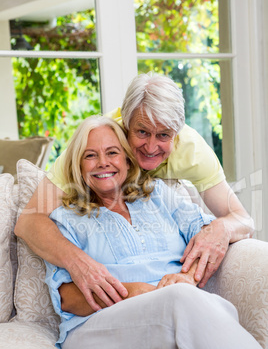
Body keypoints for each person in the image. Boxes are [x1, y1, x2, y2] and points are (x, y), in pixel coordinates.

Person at [45, 115, 268, 349]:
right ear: (78, 165)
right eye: (91, 155)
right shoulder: (66, 218)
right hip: (96, 329)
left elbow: (209, 237)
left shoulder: (160, 196)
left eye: (112, 152)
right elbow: (67, 298)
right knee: (183, 302)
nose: (103, 162)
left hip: (170, 326)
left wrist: (188, 277)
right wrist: (133, 292)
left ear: (127, 160)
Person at [15, 73, 254, 312]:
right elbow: (28, 221)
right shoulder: (96, 143)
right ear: (125, 125)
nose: (151, 148)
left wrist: (220, 229)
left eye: (163, 136)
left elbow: (241, 218)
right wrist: (79, 263)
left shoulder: (193, 152)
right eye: (141, 132)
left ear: (176, 133)